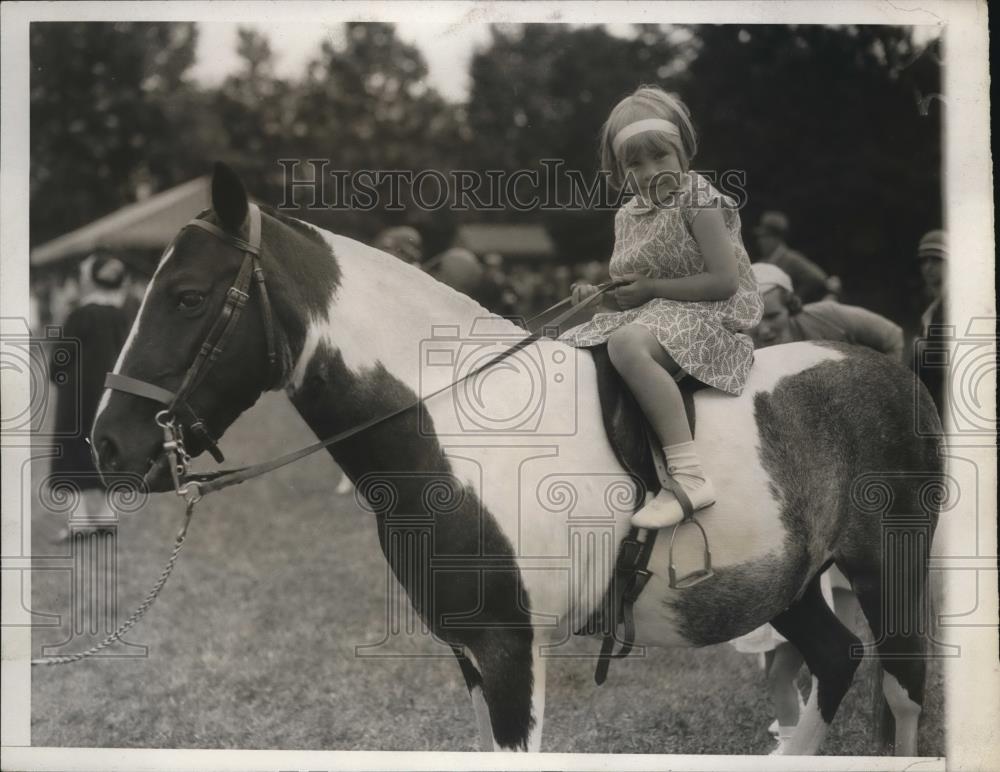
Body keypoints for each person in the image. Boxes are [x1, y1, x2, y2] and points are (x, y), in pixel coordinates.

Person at [559, 85, 763, 529]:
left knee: (629, 344)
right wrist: (602, 294)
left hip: (713, 319)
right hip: (660, 315)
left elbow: (724, 282)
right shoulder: (627, 214)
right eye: (635, 163)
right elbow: (636, 284)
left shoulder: (698, 200)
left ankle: (688, 476)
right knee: (572, 349)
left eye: (661, 157)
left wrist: (651, 288)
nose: (651, 171)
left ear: (683, 153)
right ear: (619, 172)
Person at [48, 252, 136, 540]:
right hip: (114, 393)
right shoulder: (125, 314)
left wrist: (57, 377)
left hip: (78, 396)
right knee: (109, 452)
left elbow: (61, 359)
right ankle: (108, 516)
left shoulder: (82, 314)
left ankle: (80, 520)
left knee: (73, 452)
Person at [750, 263, 904, 361]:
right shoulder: (741, 356)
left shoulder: (827, 316)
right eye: (753, 319)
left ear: (790, 307)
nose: (763, 330)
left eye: (772, 316)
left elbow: (892, 336)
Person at [753, 211, 831, 304]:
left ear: (777, 238)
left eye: (765, 237)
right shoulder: (764, 261)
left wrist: (796, 298)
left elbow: (818, 278)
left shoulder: (792, 259)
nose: (760, 241)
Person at [912, 229, 947, 416]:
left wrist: (925, 350)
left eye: (936, 260)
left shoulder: (957, 304)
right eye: (924, 261)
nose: (928, 267)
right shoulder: (931, 307)